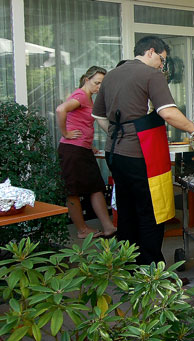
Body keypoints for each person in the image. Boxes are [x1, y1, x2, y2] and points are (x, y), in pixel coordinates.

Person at [92, 35, 194, 266]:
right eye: (162, 60)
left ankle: (127, 265)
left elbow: (98, 115)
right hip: (140, 155)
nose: (162, 65)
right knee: (150, 211)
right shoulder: (151, 75)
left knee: (126, 210)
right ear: (151, 52)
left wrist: (118, 134)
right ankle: (151, 270)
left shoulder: (112, 75)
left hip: (114, 153)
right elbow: (168, 113)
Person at [55, 66, 116, 239]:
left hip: (82, 149)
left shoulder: (89, 98)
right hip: (72, 150)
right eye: (96, 83)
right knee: (73, 191)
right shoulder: (81, 95)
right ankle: (82, 230)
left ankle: (108, 227)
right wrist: (65, 133)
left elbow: (81, 123)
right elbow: (61, 109)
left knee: (96, 187)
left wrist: (89, 145)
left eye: (101, 85)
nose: (98, 88)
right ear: (86, 79)